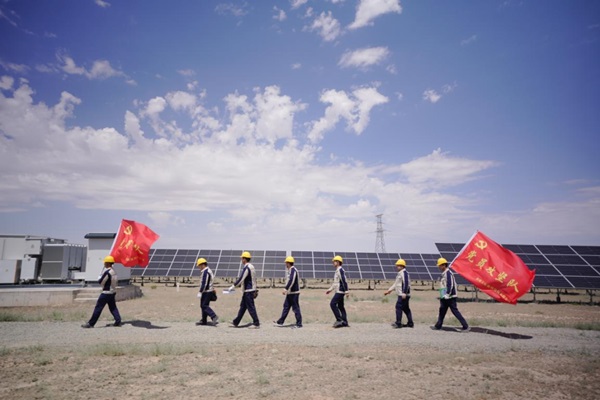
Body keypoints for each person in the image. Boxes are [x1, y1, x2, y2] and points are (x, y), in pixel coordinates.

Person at [81, 255, 122, 328]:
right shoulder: (114, 271)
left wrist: (99, 277)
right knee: (113, 307)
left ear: (108, 263)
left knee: (98, 308)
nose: (104, 264)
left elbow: (101, 282)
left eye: (105, 262)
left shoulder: (107, 272)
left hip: (106, 293)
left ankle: (91, 323)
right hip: (112, 292)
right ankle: (118, 321)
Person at [433, 257, 469, 332]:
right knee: (442, 311)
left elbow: (450, 284)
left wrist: (448, 294)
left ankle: (465, 326)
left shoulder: (448, 273)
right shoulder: (444, 274)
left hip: (450, 297)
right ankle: (438, 325)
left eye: (439, 265)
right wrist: (443, 295)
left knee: (455, 311)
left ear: (443, 265)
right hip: (444, 296)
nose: (439, 267)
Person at [229, 251, 260, 329]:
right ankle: (236, 322)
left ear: (244, 259)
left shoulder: (247, 268)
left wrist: (233, 286)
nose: (241, 260)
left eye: (242, 258)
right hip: (250, 290)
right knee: (243, 307)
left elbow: (241, 278)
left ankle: (256, 323)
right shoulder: (252, 266)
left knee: (251, 307)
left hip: (248, 291)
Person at [384, 258, 414, 329]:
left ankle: (398, 323)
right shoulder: (400, 273)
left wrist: (404, 293)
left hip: (403, 295)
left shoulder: (404, 273)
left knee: (398, 307)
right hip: (402, 294)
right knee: (406, 309)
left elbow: (406, 283)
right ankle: (410, 323)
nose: (397, 267)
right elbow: (396, 284)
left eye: (398, 265)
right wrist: (389, 290)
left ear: (402, 266)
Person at [274, 256, 302, 328]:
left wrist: (286, 289)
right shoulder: (290, 271)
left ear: (288, 263)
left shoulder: (293, 270)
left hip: (294, 293)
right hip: (290, 293)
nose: (285, 264)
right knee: (286, 306)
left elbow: (291, 281)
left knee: (295, 308)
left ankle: (299, 324)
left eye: (286, 263)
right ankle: (280, 322)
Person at [325, 255, 349, 328]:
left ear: (338, 262)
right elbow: (335, 283)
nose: (333, 263)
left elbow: (344, 281)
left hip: (340, 291)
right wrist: (330, 289)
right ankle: (344, 322)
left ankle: (339, 320)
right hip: (338, 290)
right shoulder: (337, 270)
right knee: (341, 306)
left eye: (334, 261)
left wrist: (346, 291)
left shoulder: (340, 270)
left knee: (332, 304)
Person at [196, 258, 219, 326]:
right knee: (204, 306)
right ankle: (204, 320)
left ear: (202, 265)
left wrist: (200, 292)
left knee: (204, 305)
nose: (199, 267)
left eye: (199, 266)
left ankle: (213, 316)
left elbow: (204, 283)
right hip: (209, 291)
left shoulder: (206, 272)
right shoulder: (208, 270)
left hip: (206, 291)